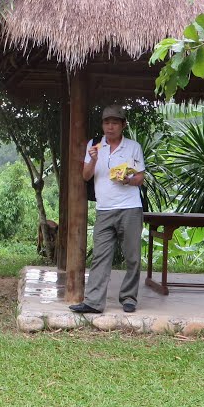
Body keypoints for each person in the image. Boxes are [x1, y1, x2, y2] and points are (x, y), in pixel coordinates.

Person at [70, 105, 146, 314]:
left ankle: (129, 298)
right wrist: (93, 159)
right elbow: (86, 176)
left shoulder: (133, 147)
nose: (110, 127)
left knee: (132, 256)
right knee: (100, 256)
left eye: (114, 123)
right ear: (102, 124)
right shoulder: (94, 145)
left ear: (123, 125)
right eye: (106, 122)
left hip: (130, 208)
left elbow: (140, 177)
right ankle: (94, 302)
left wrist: (128, 180)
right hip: (104, 209)